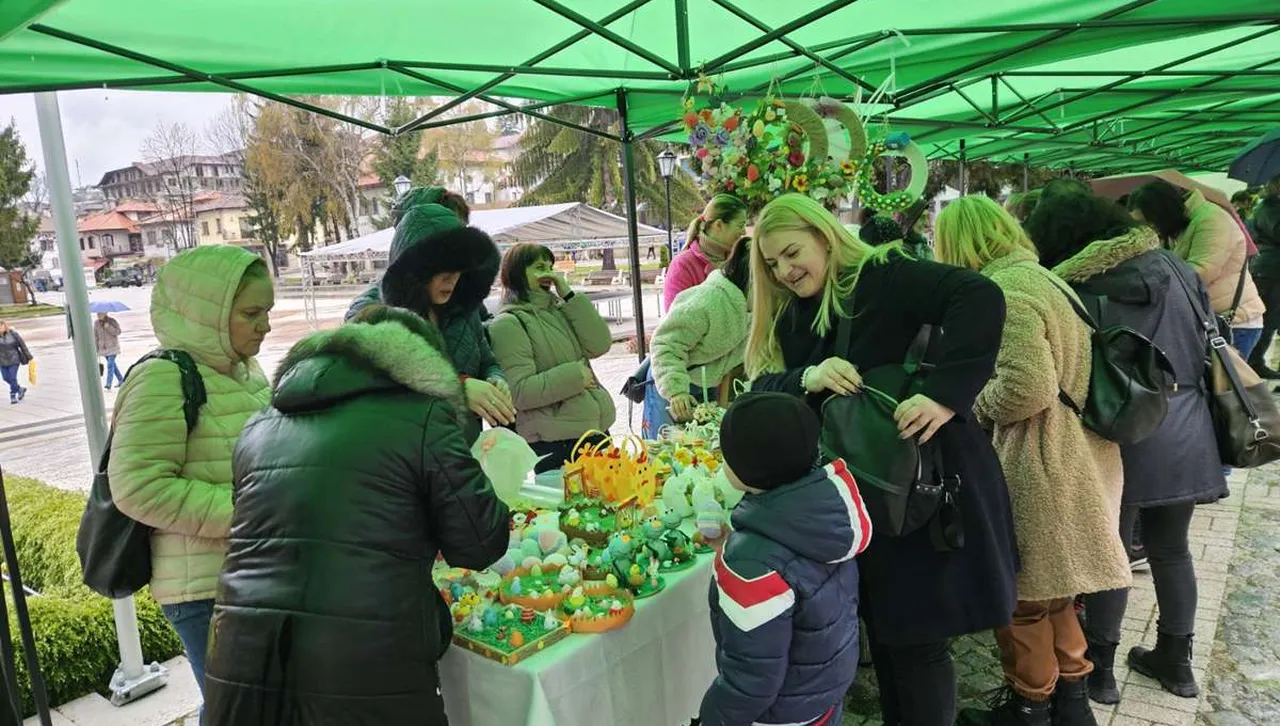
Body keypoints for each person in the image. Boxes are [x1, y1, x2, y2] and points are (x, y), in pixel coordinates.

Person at [746, 194, 1019, 726]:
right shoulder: (796, 311)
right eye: (772, 264)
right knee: (893, 641)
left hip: (915, 489)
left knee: (917, 643)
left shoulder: (884, 276)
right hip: (858, 499)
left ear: (825, 236)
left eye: (791, 252)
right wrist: (810, 376)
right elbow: (762, 386)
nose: (783, 270)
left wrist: (945, 394)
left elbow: (979, 295)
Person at [203, 305, 510, 726]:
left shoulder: (259, 426)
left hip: (245, 658)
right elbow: (481, 542)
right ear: (422, 363)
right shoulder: (423, 417)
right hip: (364, 667)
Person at [936, 197, 1129, 726]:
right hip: (1075, 457)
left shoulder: (1006, 291)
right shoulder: (1046, 279)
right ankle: (1071, 704)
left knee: (1020, 597)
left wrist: (970, 406)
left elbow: (1026, 387)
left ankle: (1030, 706)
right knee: (1056, 596)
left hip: (1041, 462)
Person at [1029, 189, 1226, 704]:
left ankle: (1101, 671)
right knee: (1172, 550)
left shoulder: (1076, 284)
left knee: (1110, 554)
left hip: (1116, 433)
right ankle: (1178, 663)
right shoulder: (1178, 268)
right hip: (1185, 426)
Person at [108, 246, 274, 709]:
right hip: (203, 588)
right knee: (238, 710)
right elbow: (138, 487)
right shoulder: (163, 378)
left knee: (246, 706)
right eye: (250, 312)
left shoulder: (247, 371)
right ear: (207, 313)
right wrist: (250, 511)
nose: (265, 325)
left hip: (255, 570)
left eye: (267, 311)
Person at [700, 391, 872, 726]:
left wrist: (713, 718)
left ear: (750, 470)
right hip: (822, 695)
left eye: (726, 456)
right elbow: (799, 583)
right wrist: (731, 546)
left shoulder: (751, 563)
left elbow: (751, 680)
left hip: (780, 714)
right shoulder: (823, 514)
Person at [346, 192, 513, 443]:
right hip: (404, 461)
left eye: (459, 268)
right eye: (442, 268)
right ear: (414, 268)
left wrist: (495, 380)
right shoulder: (371, 311)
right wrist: (458, 387)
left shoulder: (463, 309)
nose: (452, 279)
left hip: (462, 451)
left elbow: (487, 361)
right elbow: (374, 385)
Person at [488, 243, 615, 473]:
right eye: (538, 267)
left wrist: (569, 295)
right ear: (517, 273)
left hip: (594, 430)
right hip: (555, 444)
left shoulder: (560, 310)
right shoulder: (508, 324)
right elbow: (519, 392)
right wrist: (576, 376)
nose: (548, 273)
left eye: (549, 266)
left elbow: (600, 344)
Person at [1128, 180, 1265, 360]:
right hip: (1208, 320)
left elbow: (1198, 273)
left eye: (1149, 222)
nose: (1148, 228)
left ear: (1162, 213)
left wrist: (1145, 285)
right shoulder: (1179, 226)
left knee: (1226, 386)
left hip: (1234, 323)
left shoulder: (1211, 220)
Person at [647, 237, 751, 435]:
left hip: (706, 385)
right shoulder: (709, 300)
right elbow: (665, 344)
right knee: (669, 450)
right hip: (671, 383)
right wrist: (676, 390)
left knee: (701, 449)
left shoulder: (752, 309)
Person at [664, 194, 749, 310]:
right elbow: (674, 321)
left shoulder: (740, 259)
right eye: (740, 225)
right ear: (719, 225)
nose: (744, 232)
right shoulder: (682, 265)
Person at [1246, 188, 1280, 377]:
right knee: (1265, 318)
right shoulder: (1269, 208)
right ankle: (1253, 363)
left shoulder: (1269, 207)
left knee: (1270, 318)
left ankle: (1255, 362)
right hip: (1269, 269)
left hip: (1270, 267)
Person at [858, 214, 932, 260]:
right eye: (922, 218)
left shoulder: (924, 249)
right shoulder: (905, 254)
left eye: (927, 217)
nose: (927, 223)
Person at [0, 320, 32, 404]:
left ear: (5, 326)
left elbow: (22, 345)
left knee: (12, 377)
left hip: (14, 359)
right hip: (2, 361)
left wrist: (29, 356)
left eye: (1, 326)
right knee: (6, 378)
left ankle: (13, 395)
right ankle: (19, 389)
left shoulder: (13, 334)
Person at [94, 312, 124, 390]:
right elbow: (95, 336)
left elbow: (118, 332)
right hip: (103, 348)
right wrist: (96, 348)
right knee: (113, 365)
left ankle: (108, 383)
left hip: (113, 347)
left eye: (100, 313)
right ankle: (121, 380)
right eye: (97, 314)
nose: (98, 315)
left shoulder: (112, 321)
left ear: (105, 313)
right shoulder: (96, 323)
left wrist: (108, 327)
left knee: (110, 365)